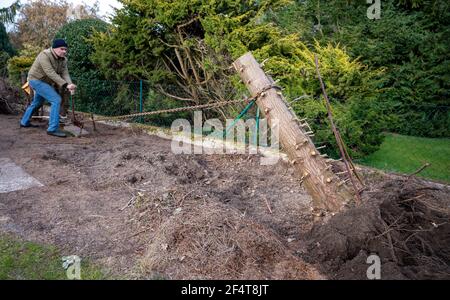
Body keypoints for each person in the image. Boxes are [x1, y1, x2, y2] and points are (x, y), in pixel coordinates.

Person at [20, 38, 77, 137]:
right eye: (62, 49)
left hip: (46, 83)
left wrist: (70, 84)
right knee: (56, 99)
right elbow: (50, 72)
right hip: (35, 80)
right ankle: (52, 129)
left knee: (37, 102)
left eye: (66, 49)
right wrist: (65, 85)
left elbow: (65, 73)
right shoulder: (44, 55)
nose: (64, 51)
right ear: (54, 48)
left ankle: (24, 122)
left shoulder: (63, 60)